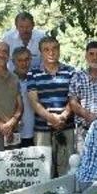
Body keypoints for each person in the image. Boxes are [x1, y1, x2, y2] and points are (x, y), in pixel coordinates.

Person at [27, 36, 76, 177]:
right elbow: (34, 102)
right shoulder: (33, 73)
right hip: (42, 130)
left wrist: (63, 117)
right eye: (46, 49)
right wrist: (51, 118)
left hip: (66, 127)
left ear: (59, 50)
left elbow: (73, 98)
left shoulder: (70, 71)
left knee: (66, 169)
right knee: (44, 171)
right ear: (41, 52)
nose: (51, 52)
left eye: (54, 49)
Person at [12, 46, 36, 148]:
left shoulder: (36, 79)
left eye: (26, 59)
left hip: (35, 132)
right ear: (13, 62)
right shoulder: (8, 80)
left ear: (30, 60)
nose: (23, 63)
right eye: (20, 60)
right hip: (14, 131)